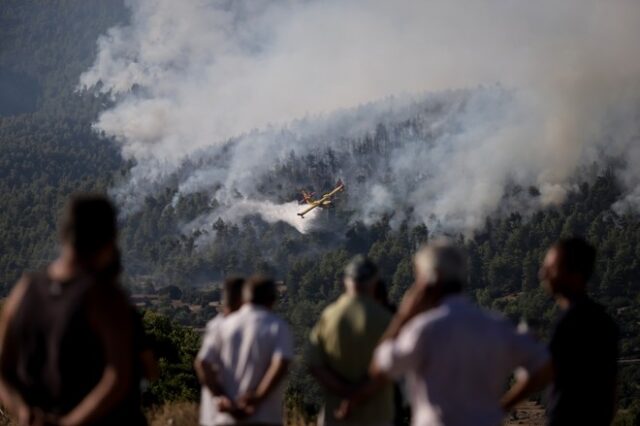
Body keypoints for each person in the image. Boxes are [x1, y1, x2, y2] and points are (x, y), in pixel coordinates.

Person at [371, 240, 550, 426]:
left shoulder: (424, 329)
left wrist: (403, 316)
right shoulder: (495, 325)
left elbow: (379, 368)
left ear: (430, 279)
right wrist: (503, 407)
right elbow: (543, 365)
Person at [0, 194, 143, 425]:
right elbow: (119, 376)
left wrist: (24, 412)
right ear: (109, 239)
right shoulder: (104, 298)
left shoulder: (24, 290)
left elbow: (3, 371)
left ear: (64, 235)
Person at [539, 237, 618, 425]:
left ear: (575, 274)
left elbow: (541, 374)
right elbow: (612, 387)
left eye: (551, 268)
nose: (543, 274)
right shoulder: (602, 319)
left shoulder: (571, 321)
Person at [307, 256, 394, 426]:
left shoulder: (328, 316)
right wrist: (359, 395)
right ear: (374, 281)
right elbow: (390, 367)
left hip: (335, 416)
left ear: (346, 281)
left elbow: (314, 364)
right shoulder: (386, 320)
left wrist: (345, 392)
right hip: (377, 417)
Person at [204, 275, 293, 425]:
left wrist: (221, 396)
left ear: (245, 298)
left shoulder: (223, 325)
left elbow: (203, 363)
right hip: (264, 417)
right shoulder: (277, 326)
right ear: (272, 300)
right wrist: (257, 397)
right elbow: (281, 364)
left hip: (227, 417)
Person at [194, 277, 245, 426]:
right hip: (222, 415)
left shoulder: (216, 324)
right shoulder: (222, 326)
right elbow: (202, 363)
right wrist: (221, 396)